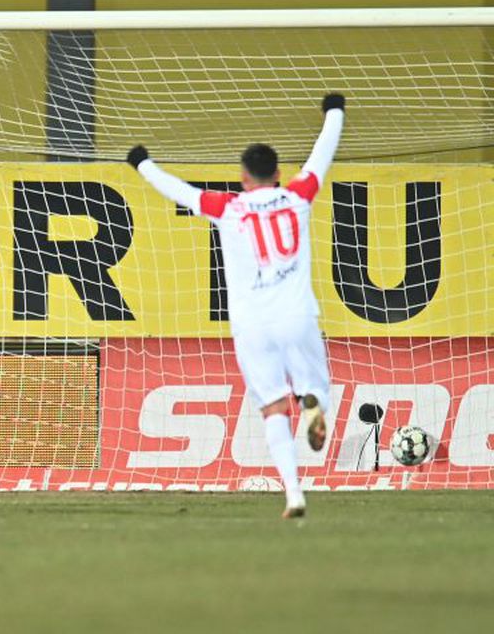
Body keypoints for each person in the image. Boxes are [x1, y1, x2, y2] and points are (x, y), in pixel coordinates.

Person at [127, 93, 346, 518]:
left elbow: (180, 192)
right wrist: (335, 110)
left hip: (252, 323)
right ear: (278, 175)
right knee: (315, 389)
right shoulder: (298, 196)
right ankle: (312, 403)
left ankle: (294, 494)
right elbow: (323, 153)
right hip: (297, 314)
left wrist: (143, 163)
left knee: (271, 408)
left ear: (243, 178)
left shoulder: (229, 207)